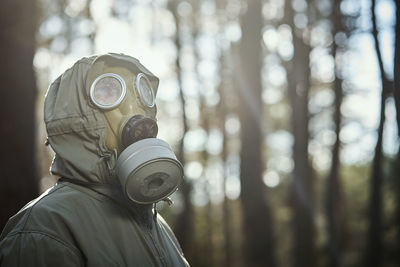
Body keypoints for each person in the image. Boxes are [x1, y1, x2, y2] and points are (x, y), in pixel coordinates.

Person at [0, 53, 189, 267]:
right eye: (109, 93)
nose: (135, 110)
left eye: (141, 94)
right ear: (79, 119)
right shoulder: (45, 229)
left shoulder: (155, 223)